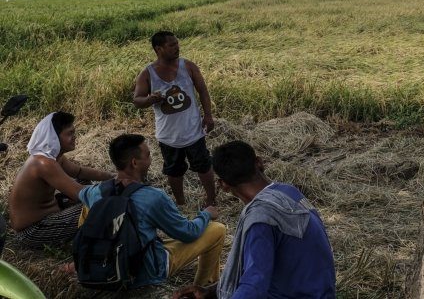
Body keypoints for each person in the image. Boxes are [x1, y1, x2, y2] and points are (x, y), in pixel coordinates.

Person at [172, 140, 336, 299]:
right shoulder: (289, 192)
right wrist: (212, 291)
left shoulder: (261, 218)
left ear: (223, 185)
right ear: (259, 162)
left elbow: (254, 287)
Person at [78, 134, 226, 288]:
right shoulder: (153, 197)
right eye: (148, 155)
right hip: (147, 272)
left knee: (86, 207)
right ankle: (203, 287)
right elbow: (188, 233)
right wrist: (206, 214)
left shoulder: (96, 191)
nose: (151, 159)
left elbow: (78, 193)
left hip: (106, 267)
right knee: (217, 230)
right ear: (135, 163)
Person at [133, 31, 217, 207]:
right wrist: (149, 99)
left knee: (203, 165)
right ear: (158, 48)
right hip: (168, 136)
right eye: (171, 45)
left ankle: (211, 199)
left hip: (193, 130)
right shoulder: (147, 74)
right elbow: (137, 100)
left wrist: (208, 115)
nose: (177, 47)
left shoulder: (188, 66)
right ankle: (180, 203)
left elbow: (203, 90)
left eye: (177, 43)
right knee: (174, 170)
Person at [8, 112, 112, 248]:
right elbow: (80, 193)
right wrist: (118, 187)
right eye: (69, 134)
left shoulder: (54, 157)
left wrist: (112, 177)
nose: (74, 137)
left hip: (49, 215)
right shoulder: (43, 163)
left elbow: (80, 171)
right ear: (53, 138)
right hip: (32, 231)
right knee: (97, 205)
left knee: (85, 181)